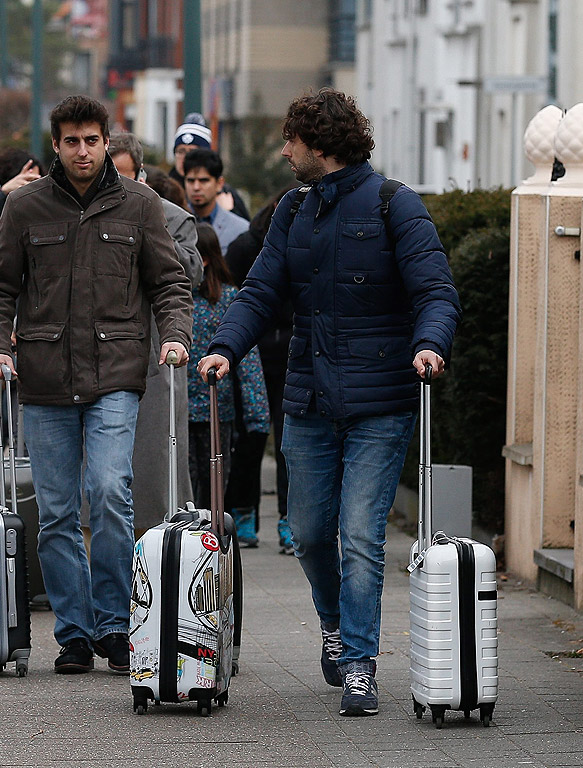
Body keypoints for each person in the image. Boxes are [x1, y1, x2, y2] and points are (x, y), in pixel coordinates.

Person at [197, 89, 460, 717]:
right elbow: (258, 293)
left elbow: (437, 293)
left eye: (290, 140)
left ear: (319, 145)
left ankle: (361, 663)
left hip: (381, 401)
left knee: (362, 534)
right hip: (309, 399)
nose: (284, 151)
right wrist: (224, 348)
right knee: (312, 533)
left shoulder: (397, 205)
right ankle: (335, 628)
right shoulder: (292, 211)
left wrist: (429, 345)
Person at [0, 95, 193, 675]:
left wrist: (175, 336)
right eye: (71, 141)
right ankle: (74, 632)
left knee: (110, 492)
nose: (81, 150)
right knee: (56, 512)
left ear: (105, 142)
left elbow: (171, 284)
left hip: (117, 372)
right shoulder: (24, 208)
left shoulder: (142, 206)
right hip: (44, 378)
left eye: (91, 140)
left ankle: (118, 625)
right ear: (56, 144)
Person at [108, 132, 200, 534]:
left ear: (142, 176)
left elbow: (192, 273)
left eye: (126, 179)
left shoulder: (172, 216)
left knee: (156, 465)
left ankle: (159, 556)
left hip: (153, 362)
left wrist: (150, 222)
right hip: (99, 358)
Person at [225, 185, 298, 553]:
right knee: (250, 439)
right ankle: (243, 513)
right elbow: (232, 296)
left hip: (292, 354)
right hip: (251, 358)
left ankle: (289, 519)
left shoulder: (308, 242)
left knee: (289, 442)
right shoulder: (245, 246)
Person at [188, 223, 269, 534]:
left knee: (214, 480)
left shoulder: (228, 299)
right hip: (179, 410)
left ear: (204, 259)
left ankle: (212, 539)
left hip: (216, 410)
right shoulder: (175, 299)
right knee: (186, 480)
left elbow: (247, 362)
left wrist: (257, 415)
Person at [169, 113, 251, 221]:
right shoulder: (165, 189)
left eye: (193, 151)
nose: (185, 158)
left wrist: (226, 213)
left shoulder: (225, 193)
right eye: (181, 151)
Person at [183, 148, 249, 256]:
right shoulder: (174, 224)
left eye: (204, 180)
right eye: (190, 181)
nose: (196, 187)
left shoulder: (240, 230)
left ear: (219, 183)